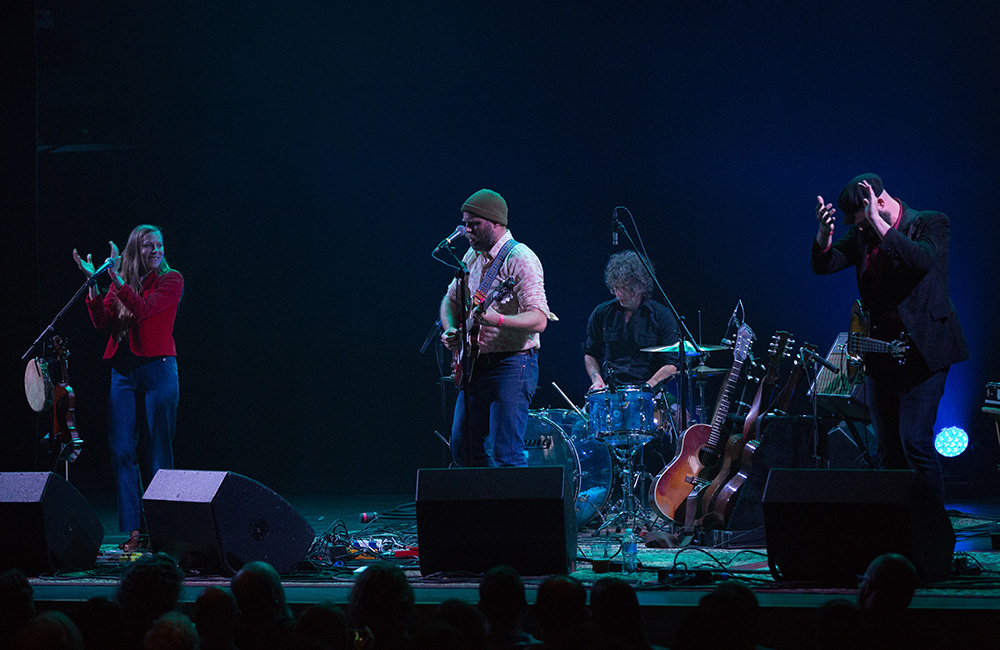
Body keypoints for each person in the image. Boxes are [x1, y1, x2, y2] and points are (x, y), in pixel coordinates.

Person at [812, 173, 968, 501]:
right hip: (881, 354)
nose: (855, 228)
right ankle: (899, 530)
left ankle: (934, 532)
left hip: (925, 352)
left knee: (915, 441)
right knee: (888, 448)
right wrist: (824, 235)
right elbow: (825, 264)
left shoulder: (931, 222)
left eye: (859, 220)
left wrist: (879, 227)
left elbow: (921, 259)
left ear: (878, 203)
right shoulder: (861, 233)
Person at [74, 224, 184, 551]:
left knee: (157, 450)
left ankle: (163, 529)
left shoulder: (171, 280)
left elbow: (145, 310)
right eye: (149, 246)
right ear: (135, 250)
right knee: (122, 449)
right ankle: (134, 530)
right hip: (122, 370)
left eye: (159, 245)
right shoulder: (123, 283)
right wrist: (93, 284)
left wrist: (117, 282)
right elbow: (102, 320)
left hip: (158, 369)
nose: (156, 251)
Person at [440, 189, 551, 467]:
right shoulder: (471, 257)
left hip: (512, 363)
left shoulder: (521, 258)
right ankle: (487, 507)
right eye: (464, 223)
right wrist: (451, 330)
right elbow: (449, 300)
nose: (466, 230)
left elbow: (539, 319)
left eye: (473, 224)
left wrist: (497, 319)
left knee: (507, 453)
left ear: (496, 223)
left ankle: (515, 509)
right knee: (463, 447)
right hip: (475, 364)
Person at [583, 250, 679, 394]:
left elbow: (671, 364)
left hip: (650, 393)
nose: (618, 294)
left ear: (639, 286)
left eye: (625, 288)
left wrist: (646, 388)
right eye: (616, 287)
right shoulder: (602, 313)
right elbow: (590, 353)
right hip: (613, 393)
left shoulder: (662, 316)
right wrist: (597, 379)